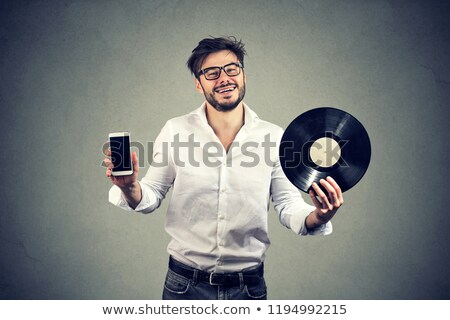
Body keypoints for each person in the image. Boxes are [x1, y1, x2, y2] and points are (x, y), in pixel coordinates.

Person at [104, 36, 344, 300]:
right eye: (211, 72)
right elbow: (150, 197)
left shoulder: (275, 137)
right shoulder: (176, 130)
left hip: (248, 289)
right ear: (198, 83)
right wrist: (130, 188)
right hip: (184, 287)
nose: (224, 78)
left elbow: (289, 207)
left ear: (243, 75)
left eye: (232, 69)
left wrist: (319, 216)